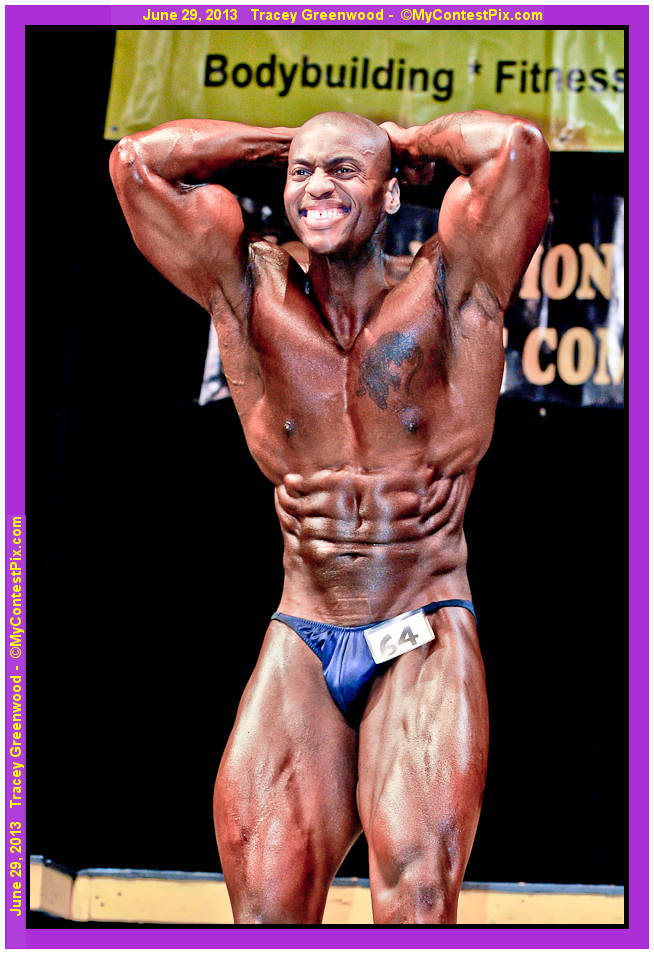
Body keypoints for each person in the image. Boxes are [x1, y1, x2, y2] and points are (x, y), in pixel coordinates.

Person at [110, 109, 549, 924]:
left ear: (389, 194)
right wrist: (298, 144)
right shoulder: (248, 294)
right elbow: (137, 162)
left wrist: (403, 143)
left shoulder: (452, 290)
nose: (318, 187)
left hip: (420, 626)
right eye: (303, 175)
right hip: (303, 631)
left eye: (344, 172)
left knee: (415, 903)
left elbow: (514, 150)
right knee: (266, 914)